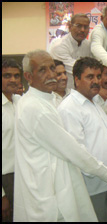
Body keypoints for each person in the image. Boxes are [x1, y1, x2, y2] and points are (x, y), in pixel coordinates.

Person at [13, 50, 107, 222]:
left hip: (90, 182)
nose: (52, 74)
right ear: (29, 76)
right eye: (42, 70)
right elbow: (73, 150)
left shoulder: (48, 101)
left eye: (52, 68)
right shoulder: (36, 108)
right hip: (52, 190)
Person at [57, 57, 107, 222]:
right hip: (91, 187)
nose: (96, 81)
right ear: (77, 79)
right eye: (90, 77)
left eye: (98, 76)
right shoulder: (70, 108)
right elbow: (78, 153)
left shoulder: (94, 103)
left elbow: (98, 138)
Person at [2, 59, 22, 222]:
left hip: (23, 175)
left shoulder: (20, 103)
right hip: (5, 179)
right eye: (7, 75)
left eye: (16, 76)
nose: (13, 80)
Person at [49, 13, 92, 89]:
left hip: (82, 92)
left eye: (86, 27)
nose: (82, 30)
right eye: (78, 26)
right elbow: (78, 69)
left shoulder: (88, 45)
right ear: (70, 27)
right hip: (62, 93)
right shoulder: (59, 46)